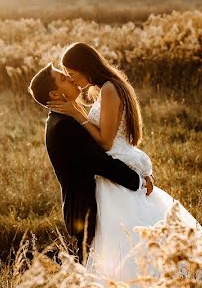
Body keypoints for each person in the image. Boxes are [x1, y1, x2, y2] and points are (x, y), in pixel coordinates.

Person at [47, 42, 202, 288]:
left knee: (128, 246)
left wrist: (76, 113)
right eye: (66, 74)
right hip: (113, 176)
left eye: (72, 72)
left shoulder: (110, 89)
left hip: (116, 175)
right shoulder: (106, 89)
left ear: (87, 67)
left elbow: (107, 143)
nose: (72, 78)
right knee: (123, 248)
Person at [28, 63, 146, 264]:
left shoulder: (63, 118)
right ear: (55, 95)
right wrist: (138, 181)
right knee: (96, 271)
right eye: (64, 78)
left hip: (94, 207)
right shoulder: (64, 126)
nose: (71, 79)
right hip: (87, 212)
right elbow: (101, 163)